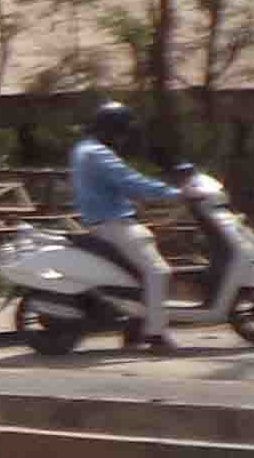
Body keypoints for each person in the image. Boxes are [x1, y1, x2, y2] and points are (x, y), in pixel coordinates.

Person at [67, 100, 187, 353]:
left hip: (107, 221)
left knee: (139, 275)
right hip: (112, 224)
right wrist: (175, 194)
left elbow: (119, 185)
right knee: (158, 272)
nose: (123, 138)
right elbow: (130, 182)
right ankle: (156, 335)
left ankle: (134, 329)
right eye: (121, 131)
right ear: (113, 130)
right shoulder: (97, 153)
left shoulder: (84, 149)